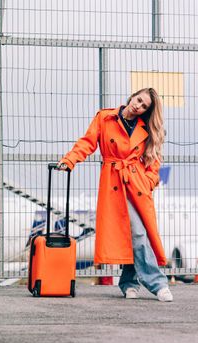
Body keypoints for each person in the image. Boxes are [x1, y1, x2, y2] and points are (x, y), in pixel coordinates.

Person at [57, 88, 173, 302]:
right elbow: (87, 142)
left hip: (137, 185)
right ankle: (153, 284)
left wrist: (148, 182)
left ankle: (137, 283)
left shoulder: (145, 128)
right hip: (113, 182)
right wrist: (70, 159)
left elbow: (154, 162)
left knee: (137, 233)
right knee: (134, 234)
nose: (138, 105)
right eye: (138, 100)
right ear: (132, 97)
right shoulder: (105, 117)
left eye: (144, 106)